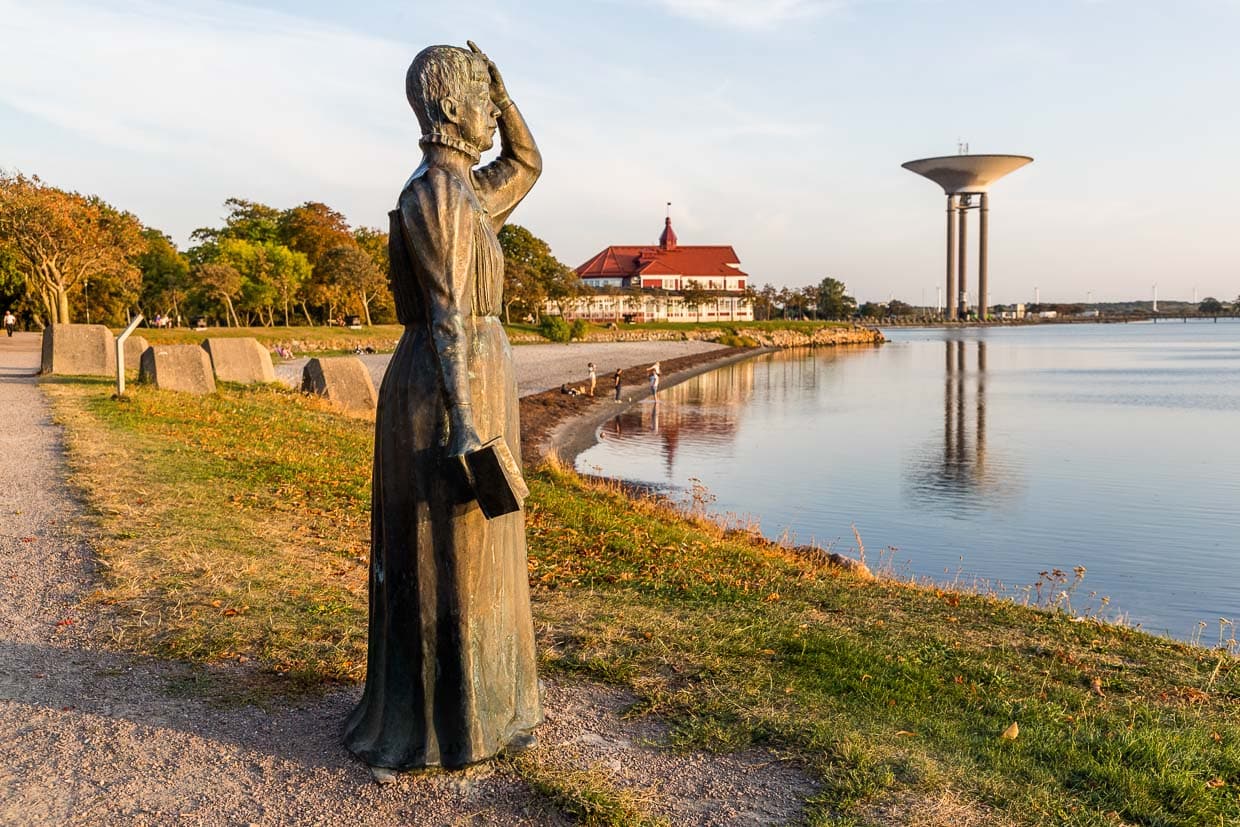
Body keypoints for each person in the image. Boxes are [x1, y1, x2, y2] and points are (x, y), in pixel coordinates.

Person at [344, 41, 542, 772]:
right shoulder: (435, 194)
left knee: (484, 552)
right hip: (446, 388)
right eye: (485, 102)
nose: (494, 115)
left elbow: (527, 165)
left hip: (472, 374)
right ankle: (446, 723)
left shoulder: (470, 189)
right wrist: (467, 423)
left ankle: (495, 702)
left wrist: (506, 88)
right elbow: (450, 311)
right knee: (448, 554)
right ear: (452, 109)